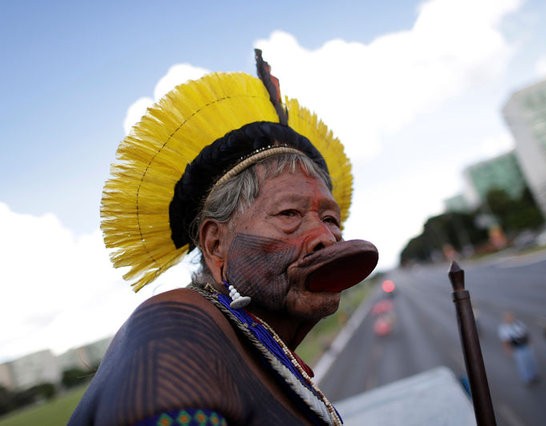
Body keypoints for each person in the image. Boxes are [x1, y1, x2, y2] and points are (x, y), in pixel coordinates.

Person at [69, 50, 378, 425]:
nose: (325, 238)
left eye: (330, 218)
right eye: (289, 214)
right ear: (216, 244)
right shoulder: (175, 330)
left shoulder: (258, 341)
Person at [498, 311, 539, 385]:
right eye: (508, 318)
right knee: (523, 364)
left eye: (511, 317)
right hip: (518, 348)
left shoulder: (518, 323)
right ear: (505, 319)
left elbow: (526, 333)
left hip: (525, 345)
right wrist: (508, 350)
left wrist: (530, 342)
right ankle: (527, 378)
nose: (510, 319)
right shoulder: (504, 328)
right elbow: (505, 340)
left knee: (531, 361)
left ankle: (534, 375)